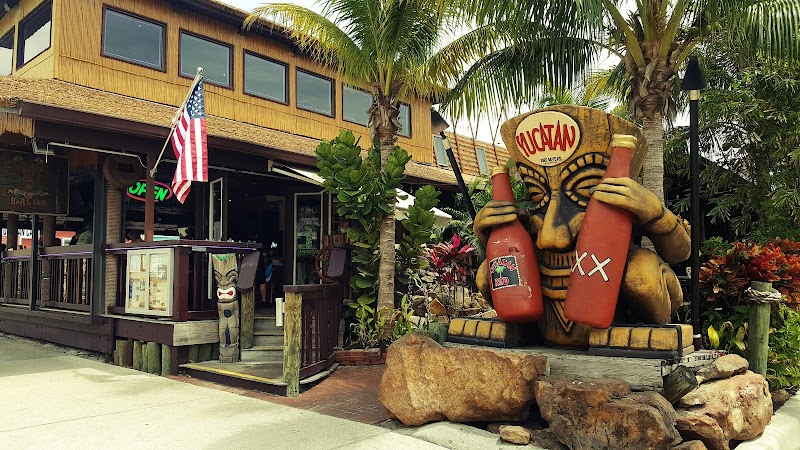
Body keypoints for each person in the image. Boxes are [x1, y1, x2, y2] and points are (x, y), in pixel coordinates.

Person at [474, 106, 690, 348]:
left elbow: (679, 253)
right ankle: (523, 327)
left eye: (585, 187)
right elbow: (507, 251)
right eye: (536, 192)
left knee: (642, 273)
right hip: (544, 306)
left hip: (613, 304)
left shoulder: (623, 211)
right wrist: (486, 233)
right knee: (490, 271)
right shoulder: (531, 219)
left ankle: (642, 331)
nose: (550, 239)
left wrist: (656, 214)